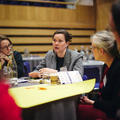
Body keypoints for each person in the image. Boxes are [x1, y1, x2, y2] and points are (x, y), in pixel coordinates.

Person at [78, 30, 120, 120]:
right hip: (105, 107)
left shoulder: (117, 69)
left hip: (111, 113)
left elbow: (114, 106)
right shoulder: (107, 65)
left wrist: (92, 102)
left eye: (93, 48)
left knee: (77, 110)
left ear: (101, 51)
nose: (91, 50)